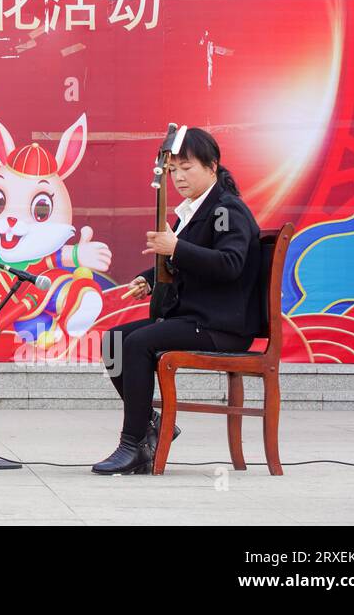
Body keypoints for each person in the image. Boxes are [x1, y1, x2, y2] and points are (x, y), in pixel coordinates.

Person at [93, 127, 263, 475]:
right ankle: (150, 423)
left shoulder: (226, 210)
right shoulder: (195, 211)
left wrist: (176, 247)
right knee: (114, 341)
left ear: (212, 166)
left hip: (221, 324)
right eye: (173, 170)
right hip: (196, 319)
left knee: (138, 343)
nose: (179, 177)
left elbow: (229, 264)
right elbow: (187, 259)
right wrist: (151, 278)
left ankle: (133, 443)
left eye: (187, 167)